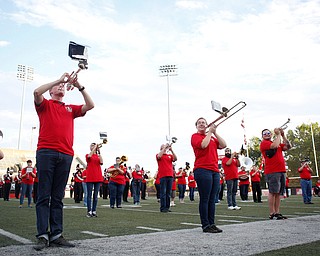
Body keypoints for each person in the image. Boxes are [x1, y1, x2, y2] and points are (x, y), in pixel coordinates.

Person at [33, 72, 94, 250]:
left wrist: (79, 85)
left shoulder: (70, 109)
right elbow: (37, 92)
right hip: (46, 152)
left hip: (66, 154)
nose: (60, 87)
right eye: (57, 86)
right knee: (44, 196)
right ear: (51, 91)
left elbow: (90, 105)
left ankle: (57, 234)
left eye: (62, 86)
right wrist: (59, 79)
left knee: (58, 197)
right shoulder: (45, 105)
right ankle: (43, 235)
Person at [191, 117, 226, 233]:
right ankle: (205, 224)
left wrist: (215, 132)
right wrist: (210, 132)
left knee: (212, 199)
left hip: (214, 170)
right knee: (205, 198)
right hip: (202, 169)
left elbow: (224, 144)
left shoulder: (212, 137)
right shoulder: (195, 136)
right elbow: (203, 145)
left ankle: (212, 223)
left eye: (203, 122)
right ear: (196, 126)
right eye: (199, 123)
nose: (201, 124)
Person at [260, 128, 291, 220]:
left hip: (281, 170)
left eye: (269, 133)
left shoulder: (277, 142)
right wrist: (277, 135)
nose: (267, 134)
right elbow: (274, 146)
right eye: (265, 133)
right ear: (262, 136)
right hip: (272, 171)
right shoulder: (264, 143)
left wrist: (283, 135)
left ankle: (277, 212)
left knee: (278, 193)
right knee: (273, 192)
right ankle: (272, 212)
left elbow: (288, 146)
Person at [156, 142, 177, 213]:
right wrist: (164, 147)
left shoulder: (169, 156)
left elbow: (175, 159)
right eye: (163, 147)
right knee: (163, 192)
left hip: (170, 176)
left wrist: (171, 150)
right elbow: (159, 156)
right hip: (163, 175)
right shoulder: (159, 155)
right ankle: (163, 207)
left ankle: (167, 207)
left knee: (168, 192)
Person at [85, 142, 103, 217]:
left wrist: (99, 152)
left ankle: (94, 210)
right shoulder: (88, 155)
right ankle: (89, 211)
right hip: (90, 177)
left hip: (98, 177)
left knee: (95, 195)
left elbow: (101, 162)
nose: (93, 146)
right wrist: (95, 148)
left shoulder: (98, 156)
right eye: (92, 146)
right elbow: (89, 156)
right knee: (89, 195)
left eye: (94, 145)